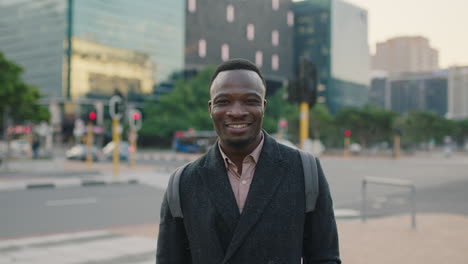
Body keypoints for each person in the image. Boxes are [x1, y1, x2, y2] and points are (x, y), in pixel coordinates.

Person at [156, 59, 340, 264]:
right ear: (210, 108)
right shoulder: (182, 184)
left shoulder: (306, 172)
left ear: (263, 106)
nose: (236, 112)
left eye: (250, 101)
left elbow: (325, 258)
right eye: (223, 101)